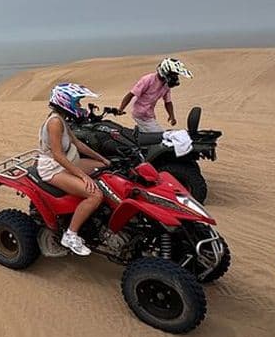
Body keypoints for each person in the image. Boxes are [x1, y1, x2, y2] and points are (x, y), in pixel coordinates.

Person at [38, 83, 110, 256]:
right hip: (53, 169)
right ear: (65, 101)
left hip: (69, 161)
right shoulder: (55, 122)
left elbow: (77, 144)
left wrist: (102, 159)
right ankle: (70, 235)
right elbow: (58, 155)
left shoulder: (61, 118)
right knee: (95, 194)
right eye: (77, 102)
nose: (79, 106)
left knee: (106, 171)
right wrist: (83, 176)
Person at [117, 58, 192, 133]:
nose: (175, 77)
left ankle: (140, 132)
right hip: (140, 113)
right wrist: (120, 109)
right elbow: (131, 94)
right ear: (165, 71)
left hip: (149, 114)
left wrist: (171, 116)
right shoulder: (147, 80)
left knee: (151, 132)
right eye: (173, 74)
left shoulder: (166, 85)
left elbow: (168, 102)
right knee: (159, 135)